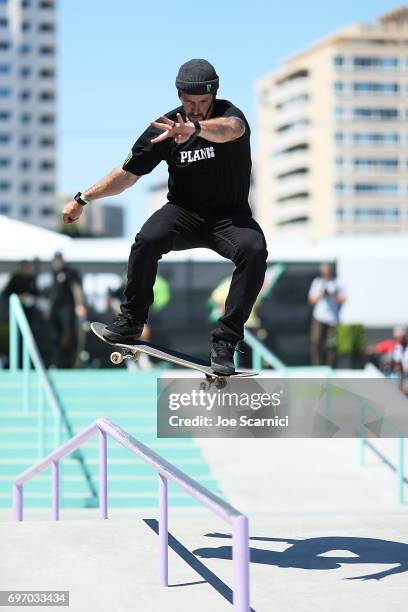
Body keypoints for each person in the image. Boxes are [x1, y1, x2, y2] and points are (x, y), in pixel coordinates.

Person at [61, 58, 268, 374]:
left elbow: (232, 131)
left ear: (214, 96)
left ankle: (225, 342)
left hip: (229, 218)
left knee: (254, 250)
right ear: (179, 97)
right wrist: (83, 199)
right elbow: (127, 174)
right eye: (189, 103)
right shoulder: (166, 127)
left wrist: (196, 128)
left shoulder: (229, 116)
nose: (196, 109)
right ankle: (131, 320)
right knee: (147, 239)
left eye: (203, 102)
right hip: (183, 213)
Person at [48, 252, 86, 368]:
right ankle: (56, 362)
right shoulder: (54, 273)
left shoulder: (70, 271)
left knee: (68, 334)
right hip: (55, 308)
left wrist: (79, 305)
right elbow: (53, 292)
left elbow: (76, 288)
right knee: (55, 336)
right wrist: (49, 309)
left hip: (67, 308)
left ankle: (71, 362)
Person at [308, 263, 346, 367]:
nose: (326, 274)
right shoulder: (317, 282)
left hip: (332, 319)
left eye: (327, 271)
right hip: (319, 317)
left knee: (331, 345)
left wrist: (333, 295)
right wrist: (321, 294)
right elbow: (310, 300)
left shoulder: (337, 283)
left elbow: (343, 299)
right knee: (315, 342)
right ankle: (317, 366)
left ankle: (330, 367)